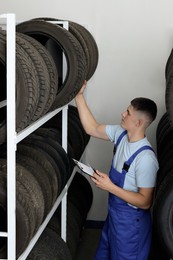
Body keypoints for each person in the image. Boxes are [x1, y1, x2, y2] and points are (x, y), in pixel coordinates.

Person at [75, 80, 159, 260]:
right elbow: (92, 128)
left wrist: (110, 186)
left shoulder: (145, 159)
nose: (122, 113)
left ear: (138, 122)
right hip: (114, 218)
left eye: (127, 112)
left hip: (130, 226)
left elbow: (145, 202)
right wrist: (79, 96)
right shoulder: (120, 134)